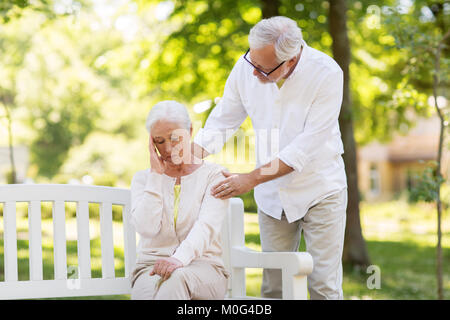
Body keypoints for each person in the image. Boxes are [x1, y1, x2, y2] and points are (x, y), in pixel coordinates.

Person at [192, 16, 348, 300]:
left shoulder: (327, 73)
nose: (253, 72)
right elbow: (223, 120)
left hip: (321, 188)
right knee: (274, 288)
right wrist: (189, 156)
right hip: (272, 195)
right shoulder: (246, 67)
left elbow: (307, 145)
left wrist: (249, 179)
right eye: (251, 61)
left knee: (323, 285)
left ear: (290, 60)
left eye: (262, 68)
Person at [130, 100, 230, 300]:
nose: (167, 149)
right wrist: (156, 176)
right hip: (150, 268)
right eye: (159, 141)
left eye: (175, 138)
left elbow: (206, 227)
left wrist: (177, 259)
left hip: (204, 269)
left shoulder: (214, 176)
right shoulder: (143, 179)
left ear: (190, 130)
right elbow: (147, 228)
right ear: (151, 142)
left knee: (176, 279)